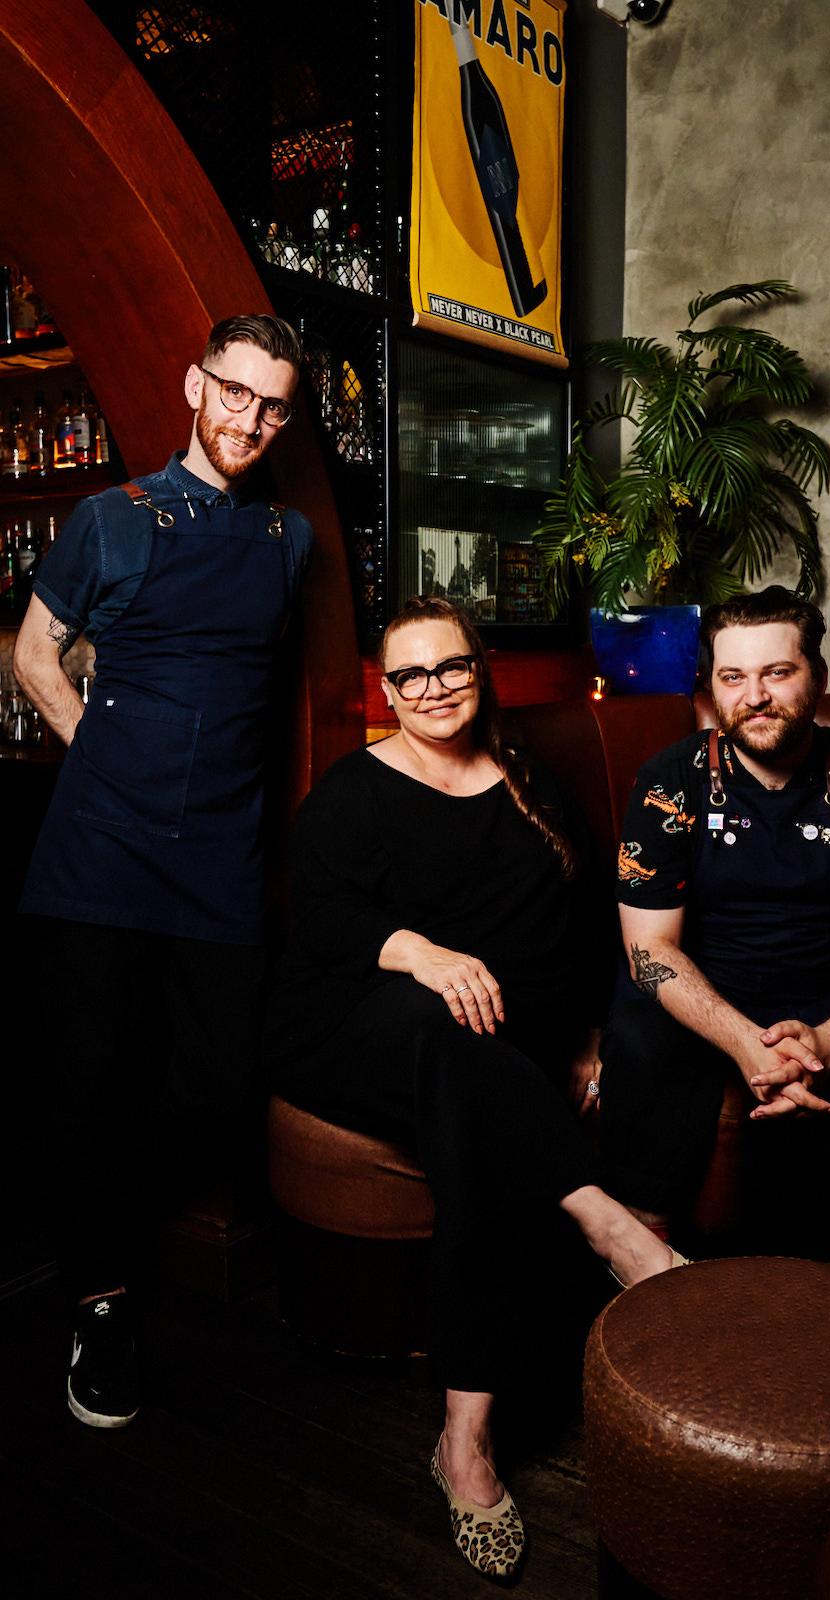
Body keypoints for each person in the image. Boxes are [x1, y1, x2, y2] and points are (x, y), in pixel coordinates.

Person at [266, 595, 684, 1582]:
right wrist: (419, 952)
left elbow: (582, 924)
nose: (432, 689)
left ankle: (464, 1435)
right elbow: (320, 922)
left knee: (470, 1104)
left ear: (479, 667)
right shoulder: (351, 794)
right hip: (357, 1031)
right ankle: (610, 1223)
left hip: (491, 1054)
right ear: (386, 688)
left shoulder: (528, 778)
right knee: (443, 1026)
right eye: (409, 676)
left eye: (449, 667)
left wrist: (586, 1038)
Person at [14, 313, 312, 1430]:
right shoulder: (111, 518)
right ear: (197, 383)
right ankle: (100, 1303)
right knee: (90, 1081)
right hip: (99, 850)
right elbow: (39, 652)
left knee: (218, 1076)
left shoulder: (290, 539)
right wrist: (106, 756)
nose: (248, 419)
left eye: (272, 404)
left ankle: (124, 1233)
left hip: (223, 857)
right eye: (233, 392)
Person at [597, 587, 830, 1254]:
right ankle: (644, 1249)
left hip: (829, 996)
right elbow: (650, 951)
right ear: (712, 686)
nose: (754, 695)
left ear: (816, 676)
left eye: (777, 673)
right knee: (638, 1034)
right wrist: (745, 1044)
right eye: (734, 677)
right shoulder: (668, 782)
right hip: (702, 996)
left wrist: (828, 1041)